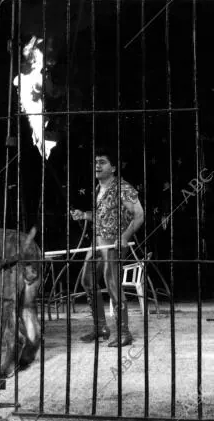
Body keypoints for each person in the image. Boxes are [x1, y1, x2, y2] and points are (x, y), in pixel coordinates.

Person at [71, 147, 144, 347]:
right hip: (97, 241)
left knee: (112, 283)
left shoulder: (123, 188)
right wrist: (84, 215)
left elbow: (139, 215)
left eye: (102, 162)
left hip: (114, 242)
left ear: (113, 167)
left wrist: (125, 236)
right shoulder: (98, 188)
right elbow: (101, 216)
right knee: (87, 280)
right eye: (96, 161)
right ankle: (101, 327)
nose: (97, 165)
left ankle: (124, 332)